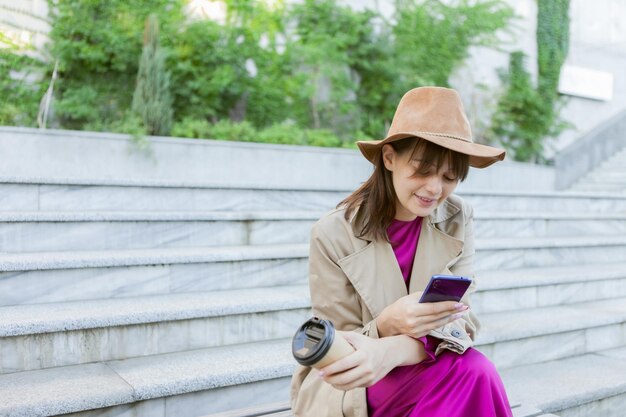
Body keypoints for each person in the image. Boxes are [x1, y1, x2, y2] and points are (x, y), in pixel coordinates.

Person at [290, 86, 514, 417]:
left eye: (450, 176)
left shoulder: (457, 217)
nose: (435, 188)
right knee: (472, 374)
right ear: (390, 157)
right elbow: (337, 343)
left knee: (475, 370)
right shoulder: (333, 233)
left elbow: (463, 321)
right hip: (353, 381)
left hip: (423, 361)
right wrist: (386, 324)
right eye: (422, 170)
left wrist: (395, 349)